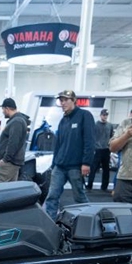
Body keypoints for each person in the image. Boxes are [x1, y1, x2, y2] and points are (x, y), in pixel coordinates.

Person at [43, 90, 95, 220]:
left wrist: (86, 163)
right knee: (52, 196)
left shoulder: (85, 115)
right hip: (59, 166)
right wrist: (54, 164)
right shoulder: (63, 120)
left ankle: (88, 220)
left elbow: (89, 141)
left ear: (74, 100)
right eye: (61, 100)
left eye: (66, 100)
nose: (63, 103)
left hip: (76, 166)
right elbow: (58, 144)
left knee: (79, 197)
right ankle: (50, 223)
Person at [0, 98, 29, 183]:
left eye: (3, 109)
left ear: (7, 108)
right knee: (9, 191)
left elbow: (13, 142)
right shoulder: (17, 121)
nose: (2, 111)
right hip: (12, 162)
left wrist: (5, 159)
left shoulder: (16, 121)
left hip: (9, 163)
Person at [87, 108, 113, 192]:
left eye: (106, 115)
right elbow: (91, 137)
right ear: (101, 115)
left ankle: (104, 187)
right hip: (97, 150)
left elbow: (111, 137)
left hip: (106, 150)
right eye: (104, 115)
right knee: (93, 169)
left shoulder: (110, 126)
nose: (105, 116)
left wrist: (110, 147)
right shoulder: (95, 125)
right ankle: (89, 185)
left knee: (106, 169)